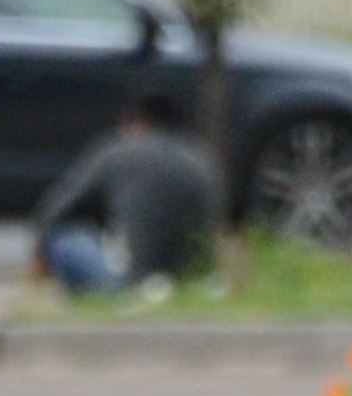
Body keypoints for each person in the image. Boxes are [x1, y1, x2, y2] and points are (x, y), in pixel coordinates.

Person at [34, 96, 220, 301]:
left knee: (66, 239)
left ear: (138, 122)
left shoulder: (119, 152)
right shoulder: (201, 156)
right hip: (192, 280)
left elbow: (54, 210)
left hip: (129, 283)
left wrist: (39, 253)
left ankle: (88, 301)